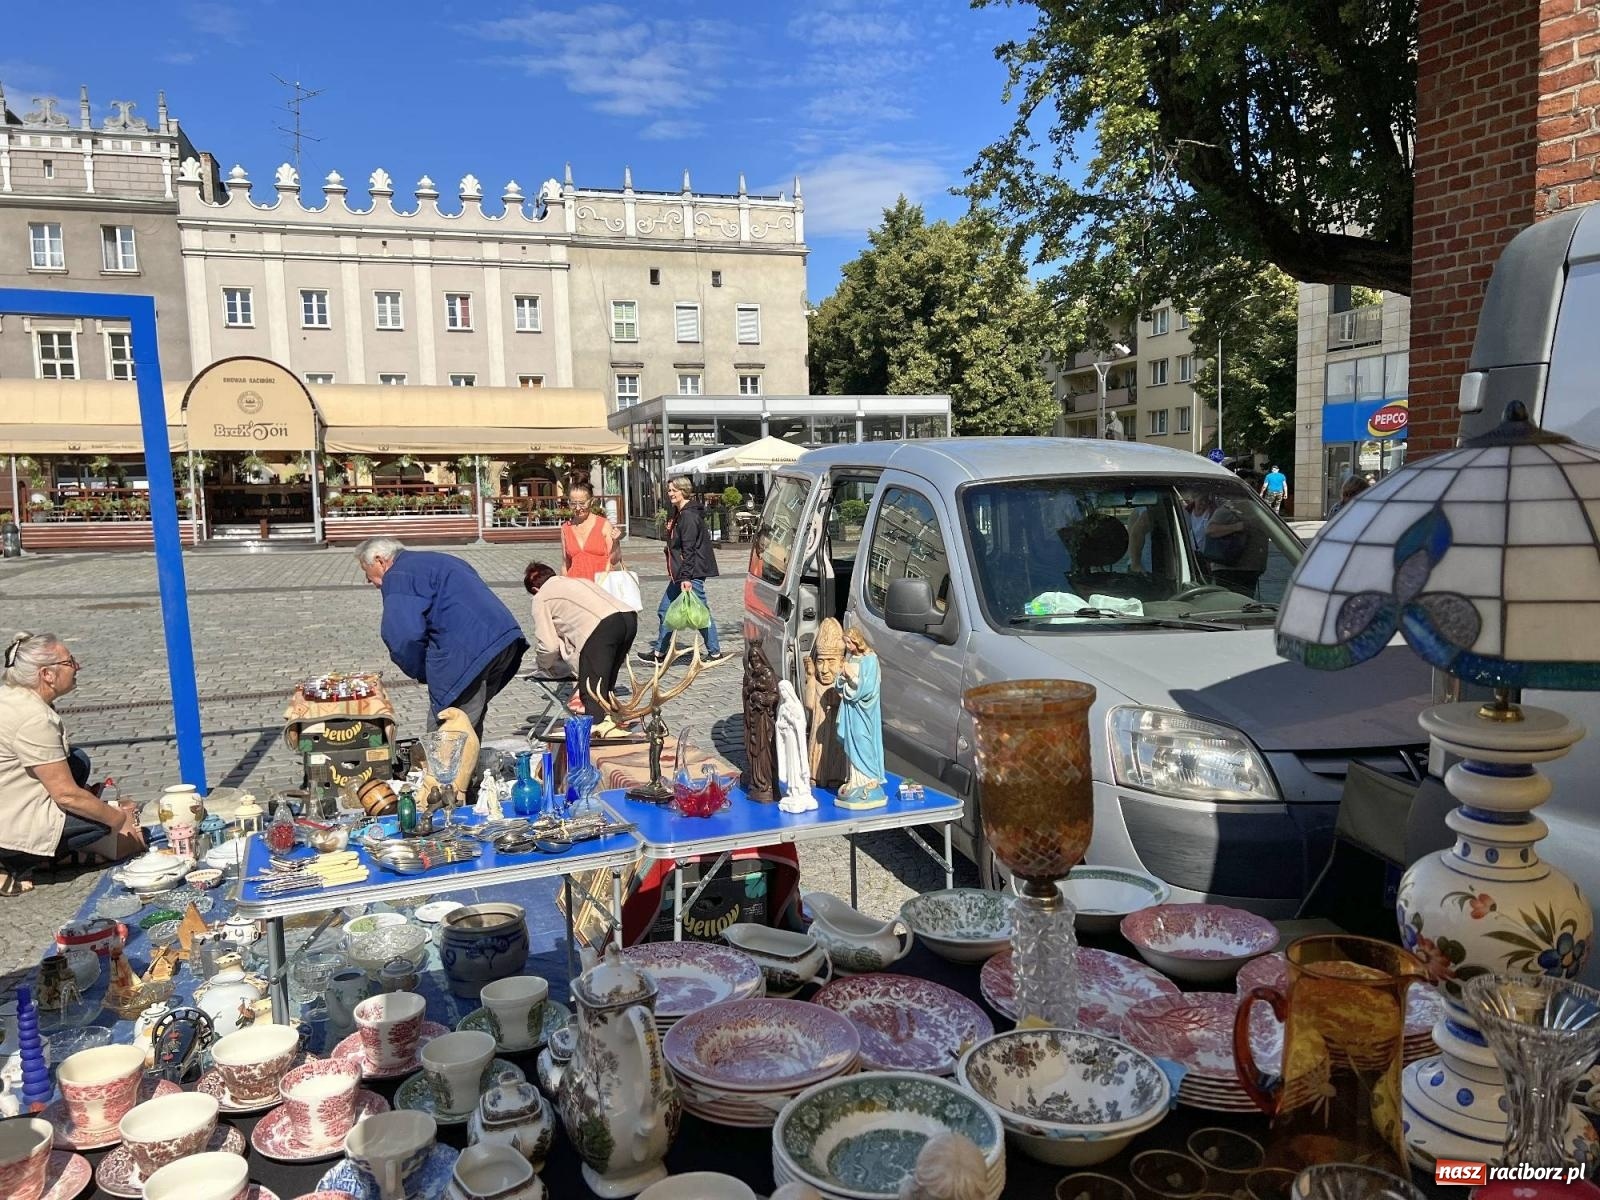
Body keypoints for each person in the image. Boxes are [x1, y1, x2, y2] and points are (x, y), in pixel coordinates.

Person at [0, 633, 144, 896]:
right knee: (97, 825)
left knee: (77, 761)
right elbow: (66, 795)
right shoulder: (33, 718)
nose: (78, 667)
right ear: (47, 674)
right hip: (6, 822)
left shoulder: (12, 695)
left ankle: (39, 851)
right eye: (70, 662)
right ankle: (17, 858)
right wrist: (118, 819)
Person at [356, 538, 528, 739]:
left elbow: (403, 636)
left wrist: (424, 671)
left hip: (467, 650)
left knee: (447, 730)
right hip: (503, 641)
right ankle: (469, 767)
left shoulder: (398, 575)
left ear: (380, 561)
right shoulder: (439, 560)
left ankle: (446, 769)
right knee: (467, 720)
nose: (370, 581)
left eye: (367, 573)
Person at [524, 561, 636, 737]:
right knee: (605, 686)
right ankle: (613, 728)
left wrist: (543, 665)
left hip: (600, 627)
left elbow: (549, 645)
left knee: (592, 691)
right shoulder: (577, 581)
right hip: (628, 618)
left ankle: (597, 741)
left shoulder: (541, 597)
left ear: (535, 590)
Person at [641, 476, 723, 665]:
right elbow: (677, 544)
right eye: (669, 490)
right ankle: (659, 653)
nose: (670, 493)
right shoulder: (679, 514)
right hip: (681, 573)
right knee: (665, 610)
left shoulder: (688, 516)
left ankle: (715, 652)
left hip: (690, 573)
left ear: (683, 491)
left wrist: (685, 577)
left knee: (700, 613)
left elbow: (689, 549)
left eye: (674, 490)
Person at [560, 477, 618, 582]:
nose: (577, 508)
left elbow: (614, 560)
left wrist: (616, 542)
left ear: (591, 501)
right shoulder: (566, 528)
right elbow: (565, 564)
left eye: (582, 503)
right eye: (573, 503)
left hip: (600, 585)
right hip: (575, 586)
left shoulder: (603, 524)